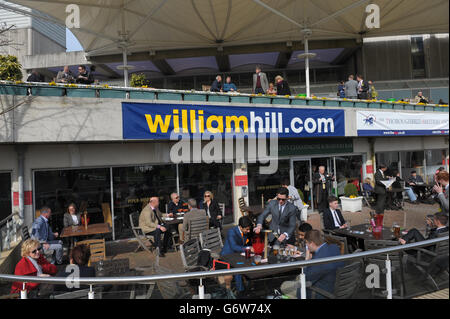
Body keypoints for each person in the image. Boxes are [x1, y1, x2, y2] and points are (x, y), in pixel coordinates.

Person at [281, 230, 344, 299]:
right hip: (334, 284)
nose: (306, 246)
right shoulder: (333, 247)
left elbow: (305, 279)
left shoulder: (319, 260)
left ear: (312, 243)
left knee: (284, 286)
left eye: (306, 243)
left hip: (321, 292)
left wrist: (307, 260)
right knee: (297, 278)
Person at [221, 216, 253, 293]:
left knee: (250, 263)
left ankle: (251, 286)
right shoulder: (231, 231)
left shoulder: (245, 230)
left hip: (238, 254)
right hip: (228, 256)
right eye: (247, 229)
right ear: (241, 227)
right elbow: (234, 246)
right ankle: (240, 291)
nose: (249, 231)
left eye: (249, 229)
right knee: (238, 269)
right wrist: (247, 249)